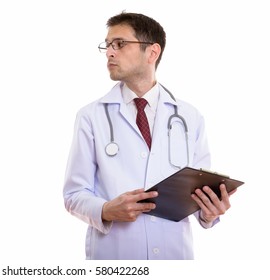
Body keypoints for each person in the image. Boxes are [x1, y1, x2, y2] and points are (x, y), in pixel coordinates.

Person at [62, 12, 235, 260]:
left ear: (152, 52)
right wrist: (107, 210)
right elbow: (73, 195)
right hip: (115, 259)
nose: (110, 52)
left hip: (174, 256)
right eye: (108, 45)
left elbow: (199, 191)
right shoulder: (91, 116)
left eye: (120, 44)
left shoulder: (189, 116)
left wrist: (209, 211)